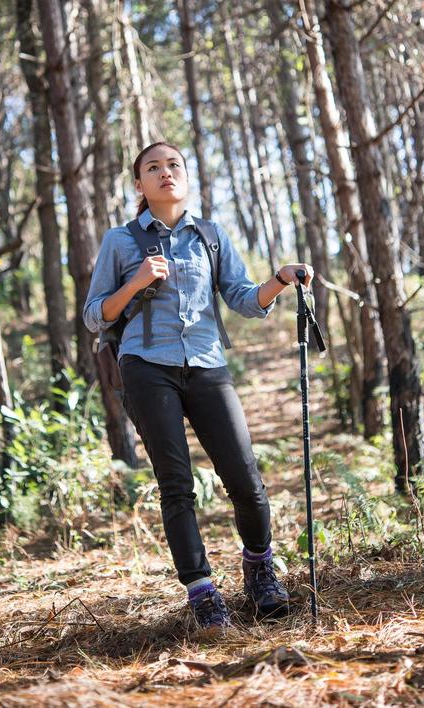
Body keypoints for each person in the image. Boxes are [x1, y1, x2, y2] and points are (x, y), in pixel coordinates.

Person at [83, 141, 314, 636]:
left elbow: (243, 299)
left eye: (174, 165)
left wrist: (279, 278)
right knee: (177, 486)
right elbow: (92, 315)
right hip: (146, 367)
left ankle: (259, 569)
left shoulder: (210, 234)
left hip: (207, 363)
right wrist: (135, 283)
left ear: (186, 176)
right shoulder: (120, 242)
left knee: (247, 481)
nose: (166, 173)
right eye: (153, 168)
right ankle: (204, 595)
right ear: (140, 185)